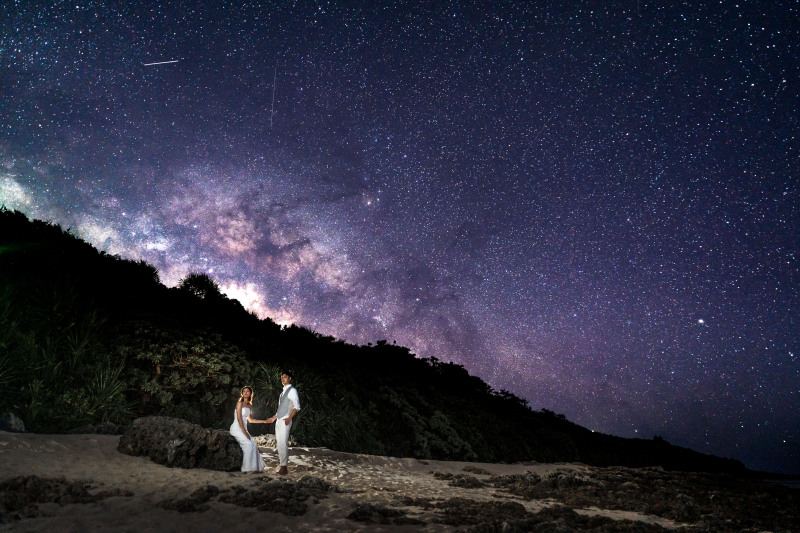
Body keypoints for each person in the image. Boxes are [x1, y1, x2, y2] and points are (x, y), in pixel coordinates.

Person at [265, 371, 301, 475]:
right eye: (282, 377)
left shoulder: (292, 391)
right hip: (279, 420)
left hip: (286, 419)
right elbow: (280, 408)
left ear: (290, 378)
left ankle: (284, 468)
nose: (283, 379)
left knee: (283, 443)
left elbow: (297, 407)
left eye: (285, 377)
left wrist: (289, 418)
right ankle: (282, 465)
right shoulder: (282, 393)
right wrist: (274, 417)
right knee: (279, 443)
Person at [230, 386, 268, 473]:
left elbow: (251, 420)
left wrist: (264, 421)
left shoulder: (250, 405)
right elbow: (239, 418)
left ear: (250, 393)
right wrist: (244, 432)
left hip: (244, 429)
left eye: (248, 391)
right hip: (236, 428)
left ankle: (255, 468)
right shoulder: (239, 403)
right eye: (244, 391)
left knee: (254, 445)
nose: (246, 393)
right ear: (242, 393)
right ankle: (246, 469)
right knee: (248, 445)